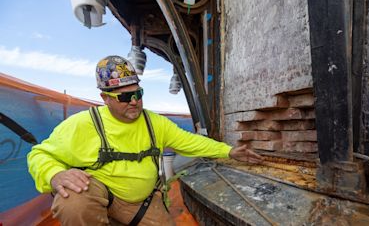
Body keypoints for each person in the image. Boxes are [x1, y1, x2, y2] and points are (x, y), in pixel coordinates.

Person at [27, 55, 263, 225]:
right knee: (73, 201)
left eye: (137, 93)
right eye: (125, 96)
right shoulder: (82, 124)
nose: (134, 102)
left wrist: (229, 151)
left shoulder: (154, 122)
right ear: (105, 98)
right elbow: (39, 154)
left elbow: (190, 141)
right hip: (99, 194)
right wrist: (55, 175)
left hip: (140, 202)